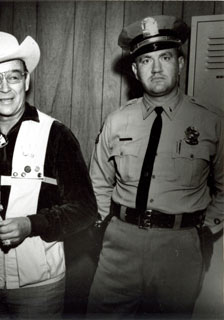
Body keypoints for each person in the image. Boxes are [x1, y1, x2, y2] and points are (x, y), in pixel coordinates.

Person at [0, 31, 97, 319]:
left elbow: (85, 210)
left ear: (26, 81)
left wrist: (31, 225)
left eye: (13, 77)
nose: (5, 88)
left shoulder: (57, 135)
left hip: (38, 289)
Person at [87, 15, 223, 318]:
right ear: (135, 70)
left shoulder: (211, 122)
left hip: (180, 247)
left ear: (181, 63)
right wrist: (106, 224)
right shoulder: (117, 120)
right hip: (119, 245)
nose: (157, 68)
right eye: (146, 61)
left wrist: (205, 230)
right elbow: (98, 180)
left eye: (165, 57)